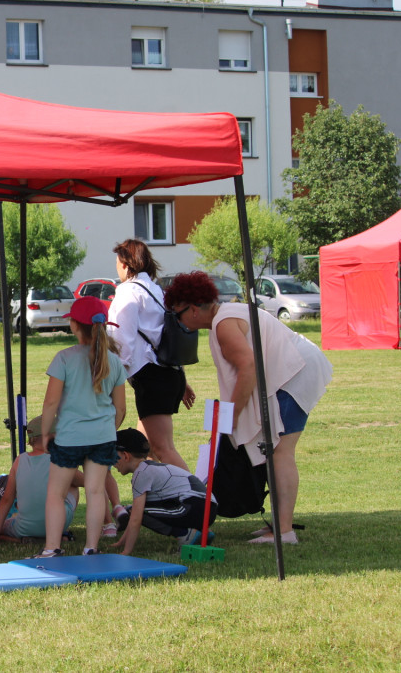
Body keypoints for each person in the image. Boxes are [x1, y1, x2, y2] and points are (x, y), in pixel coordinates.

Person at [164, 271, 333, 544]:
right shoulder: (225, 316)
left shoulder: (224, 324)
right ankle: (280, 525)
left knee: (280, 451)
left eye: (178, 314)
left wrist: (229, 418)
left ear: (193, 309)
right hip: (294, 369)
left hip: (294, 373)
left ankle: (284, 531)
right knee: (275, 450)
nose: (178, 322)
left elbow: (248, 369)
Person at [37, 296, 127, 558]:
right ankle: (91, 547)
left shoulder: (63, 358)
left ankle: (52, 548)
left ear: (75, 325)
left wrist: (45, 432)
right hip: (103, 437)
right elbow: (120, 408)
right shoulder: (115, 361)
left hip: (68, 438)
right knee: (96, 492)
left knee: (56, 493)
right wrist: (108, 429)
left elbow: (51, 401)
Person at [109, 239, 195, 471]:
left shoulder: (128, 293)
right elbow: (165, 338)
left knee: (161, 449)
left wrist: (110, 379)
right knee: (143, 450)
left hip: (152, 379)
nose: (116, 268)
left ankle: (198, 499)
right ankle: (151, 499)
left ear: (126, 265)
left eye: (117, 263)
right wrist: (182, 378)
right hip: (167, 374)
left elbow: (122, 344)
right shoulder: (156, 290)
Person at [0, 415, 82, 544]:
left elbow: (6, 499)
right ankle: (56, 535)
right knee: (74, 486)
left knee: (7, 524)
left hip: (24, 528)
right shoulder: (60, 460)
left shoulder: (19, 461)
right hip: (59, 522)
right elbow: (86, 482)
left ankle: (15, 539)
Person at [111, 428, 214, 554]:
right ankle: (201, 532)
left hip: (196, 507)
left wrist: (126, 552)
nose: (112, 462)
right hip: (208, 507)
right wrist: (120, 543)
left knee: (135, 511)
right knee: (134, 509)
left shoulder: (141, 474)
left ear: (126, 456)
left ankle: (186, 534)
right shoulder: (150, 467)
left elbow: (136, 518)